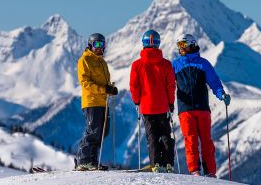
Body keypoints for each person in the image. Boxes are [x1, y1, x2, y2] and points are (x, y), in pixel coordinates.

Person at [172, 34, 231, 177]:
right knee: (190, 140)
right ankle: (194, 170)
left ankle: (210, 171)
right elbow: (167, 84)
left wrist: (221, 94)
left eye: (183, 45)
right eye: (179, 45)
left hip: (202, 108)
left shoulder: (204, 64)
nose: (181, 48)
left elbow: (214, 82)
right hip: (185, 109)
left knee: (206, 140)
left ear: (191, 44)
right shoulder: (175, 64)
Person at [129, 29, 176, 173]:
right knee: (165, 134)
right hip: (162, 106)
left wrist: (137, 101)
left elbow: (134, 86)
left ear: (143, 44)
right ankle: (168, 163)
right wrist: (170, 103)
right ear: (158, 43)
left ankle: (155, 164)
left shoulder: (137, 65)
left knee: (152, 136)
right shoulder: (166, 64)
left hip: (147, 107)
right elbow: (171, 86)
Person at [75, 33, 118, 171]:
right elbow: (85, 83)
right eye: (97, 45)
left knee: (103, 132)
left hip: (103, 102)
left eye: (102, 45)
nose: (100, 48)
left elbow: (103, 82)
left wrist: (110, 89)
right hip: (92, 101)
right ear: (90, 45)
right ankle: (83, 160)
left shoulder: (102, 62)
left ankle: (92, 161)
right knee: (93, 131)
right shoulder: (84, 60)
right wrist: (104, 89)